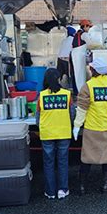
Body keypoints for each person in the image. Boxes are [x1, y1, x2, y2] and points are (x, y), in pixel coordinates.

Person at [73, 57, 107, 194]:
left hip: (92, 129)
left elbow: (82, 109)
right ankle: (105, 185)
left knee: (86, 158)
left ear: (93, 70)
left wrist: (77, 126)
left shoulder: (88, 86)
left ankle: (82, 187)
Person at [36, 68, 73, 200]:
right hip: (64, 132)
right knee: (63, 162)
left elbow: (37, 117)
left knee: (48, 163)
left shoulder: (41, 96)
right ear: (58, 80)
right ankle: (62, 190)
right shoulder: (67, 94)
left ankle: (50, 191)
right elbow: (71, 114)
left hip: (47, 134)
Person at [70, 20, 93, 94]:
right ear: (85, 26)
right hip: (79, 55)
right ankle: (81, 92)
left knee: (78, 74)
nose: (89, 28)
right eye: (88, 26)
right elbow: (90, 43)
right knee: (80, 74)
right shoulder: (84, 34)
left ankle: (80, 91)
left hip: (76, 54)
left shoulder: (78, 33)